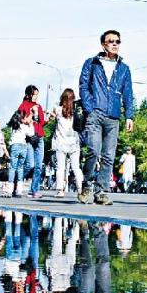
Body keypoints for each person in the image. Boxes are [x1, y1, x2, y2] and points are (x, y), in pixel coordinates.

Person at [78, 30, 135, 206]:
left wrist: (129, 115)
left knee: (109, 155)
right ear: (103, 44)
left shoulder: (124, 69)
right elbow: (83, 85)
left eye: (117, 41)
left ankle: (102, 191)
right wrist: (90, 107)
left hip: (113, 116)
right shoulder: (92, 63)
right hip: (95, 113)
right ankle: (86, 185)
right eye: (111, 41)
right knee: (94, 151)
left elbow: (128, 92)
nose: (115, 44)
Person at [51, 89, 83, 198]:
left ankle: (60, 190)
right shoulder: (76, 112)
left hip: (61, 142)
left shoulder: (58, 109)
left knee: (60, 167)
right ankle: (80, 189)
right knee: (76, 167)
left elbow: (51, 117)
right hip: (74, 142)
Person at [17, 86, 47, 198]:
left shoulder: (39, 106)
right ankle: (16, 181)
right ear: (29, 95)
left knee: (39, 166)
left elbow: (42, 122)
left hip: (39, 137)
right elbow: (19, 120)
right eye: (35, 94)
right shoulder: (23, 106)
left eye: (37, 95)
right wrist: (30, 114)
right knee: (30, 164)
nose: (36, 97)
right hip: (29, 138)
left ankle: (34, 190)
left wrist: (45, 118)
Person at [6, 111, 33, 197]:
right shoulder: (24, 127)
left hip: (15, 147)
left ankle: (9, 190)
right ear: (21, 118)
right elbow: (31, 134)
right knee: (20, 168)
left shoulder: (13, 127)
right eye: (24, 117)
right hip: (23, 147)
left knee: (12, 167)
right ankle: (19, 191)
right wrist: (30, 124)